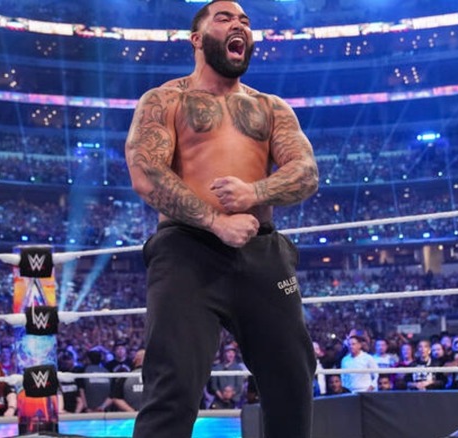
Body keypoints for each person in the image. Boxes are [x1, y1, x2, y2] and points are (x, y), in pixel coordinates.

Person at [124, 1, 319, 437]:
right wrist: (215, 221)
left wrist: (254, 192)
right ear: (197, 39)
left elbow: (306, 172)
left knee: (293, 376)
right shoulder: (165, 100)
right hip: (186, 249)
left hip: (261, 249)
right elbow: (145, 172)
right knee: (172, 384)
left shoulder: (271, 107)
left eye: (246, 21)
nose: (240, 26)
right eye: (226, 18)